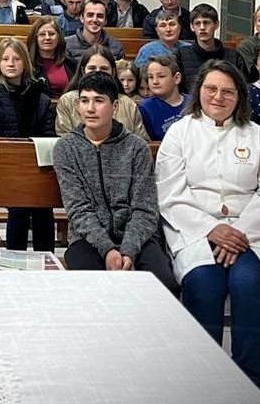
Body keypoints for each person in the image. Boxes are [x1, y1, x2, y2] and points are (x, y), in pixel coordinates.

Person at [156, 60, 260, 387]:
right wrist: (211, 229)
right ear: (199, 90)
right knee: (204, 284)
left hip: (252, 234)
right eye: (211, 89)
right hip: (196, 231)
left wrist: (239, 233)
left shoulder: (257, 136)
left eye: (228, 91)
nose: (218, 97)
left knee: (250, 286)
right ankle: (205, 382)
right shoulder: (180, 132)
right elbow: (170, 192)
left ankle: (247, 382)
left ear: (240, 96)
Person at [53, 71, 177, 287]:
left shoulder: (136, 147)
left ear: (115, 107)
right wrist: (108, 249)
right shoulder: (66, 148)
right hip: (87, 239)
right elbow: (78, 209)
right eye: (84, 101)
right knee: (95, 284)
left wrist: (128, 249)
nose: (90, 108)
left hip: (137, 238)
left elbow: (145, 208)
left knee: (163, 282)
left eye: (99, 101)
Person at [0, 38, 55, 252]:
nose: (11, 63)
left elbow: (49, 135)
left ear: (25, 62)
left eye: (16, 59)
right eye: (5, 59)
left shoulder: (39, 97)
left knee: (43, 200)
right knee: (21, 199)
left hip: (32, 166)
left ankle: (46, 258)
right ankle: (16, 257)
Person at [56, 46, 148, 138]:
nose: (97, 73)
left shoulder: (128, 104)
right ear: (83, 71)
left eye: (104, 69)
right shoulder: (67, 101)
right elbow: (65, 140)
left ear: (113, 72)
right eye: (92, 68)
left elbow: (141, 140)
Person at [178, 3, 244, 86]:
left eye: (206, 23)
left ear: (216, 24)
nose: (202, 27)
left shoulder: (234, 56)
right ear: (192, 27)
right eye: (197, 23)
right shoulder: (181, 55)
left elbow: (241, 87)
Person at [139, 54, 190, 140]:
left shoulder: (193, 102)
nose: (155, 81)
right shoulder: (145, 107)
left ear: (177, 78)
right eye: (150, 77)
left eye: (161, 76)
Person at [27, 16, 76, 97]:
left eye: (52, 34)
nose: (47, 38)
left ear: (59, 37)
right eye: (42, 34)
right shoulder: (27, 64)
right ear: (35, 38)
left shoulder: (70, 63)